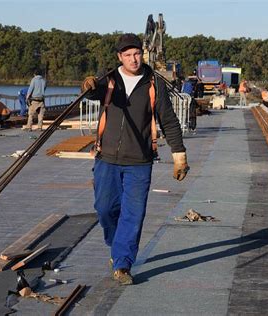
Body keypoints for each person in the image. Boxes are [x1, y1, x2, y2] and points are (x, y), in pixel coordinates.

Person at [81, 33, 189, 285]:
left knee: (133, 214)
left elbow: (169, 120)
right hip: (106, 158)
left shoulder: (154, 83)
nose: (133, 59)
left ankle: (122, 264)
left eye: (137, 54)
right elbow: (90, 93)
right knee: (105, 210)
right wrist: (86, 85)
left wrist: (179, 155)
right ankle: (117, 245)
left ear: (143, 54)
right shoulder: (109, 80)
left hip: (139, 162)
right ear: (119, 57)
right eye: (127, 55)